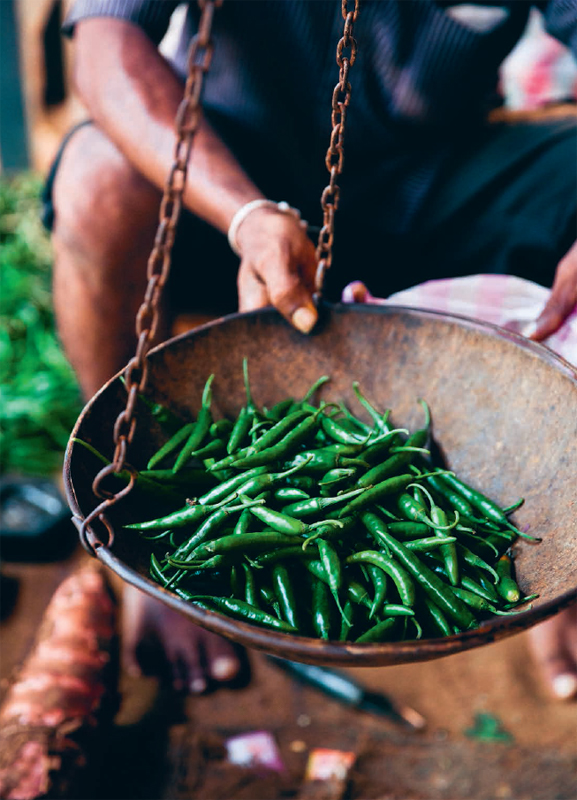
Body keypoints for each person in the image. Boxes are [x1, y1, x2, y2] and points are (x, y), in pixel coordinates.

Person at [44, 0, 577, 698]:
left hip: (434, 176)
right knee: (99, 175)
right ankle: (135, 524)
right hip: (239, 177)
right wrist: (242, 212)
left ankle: (552, 541)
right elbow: (105, 39)